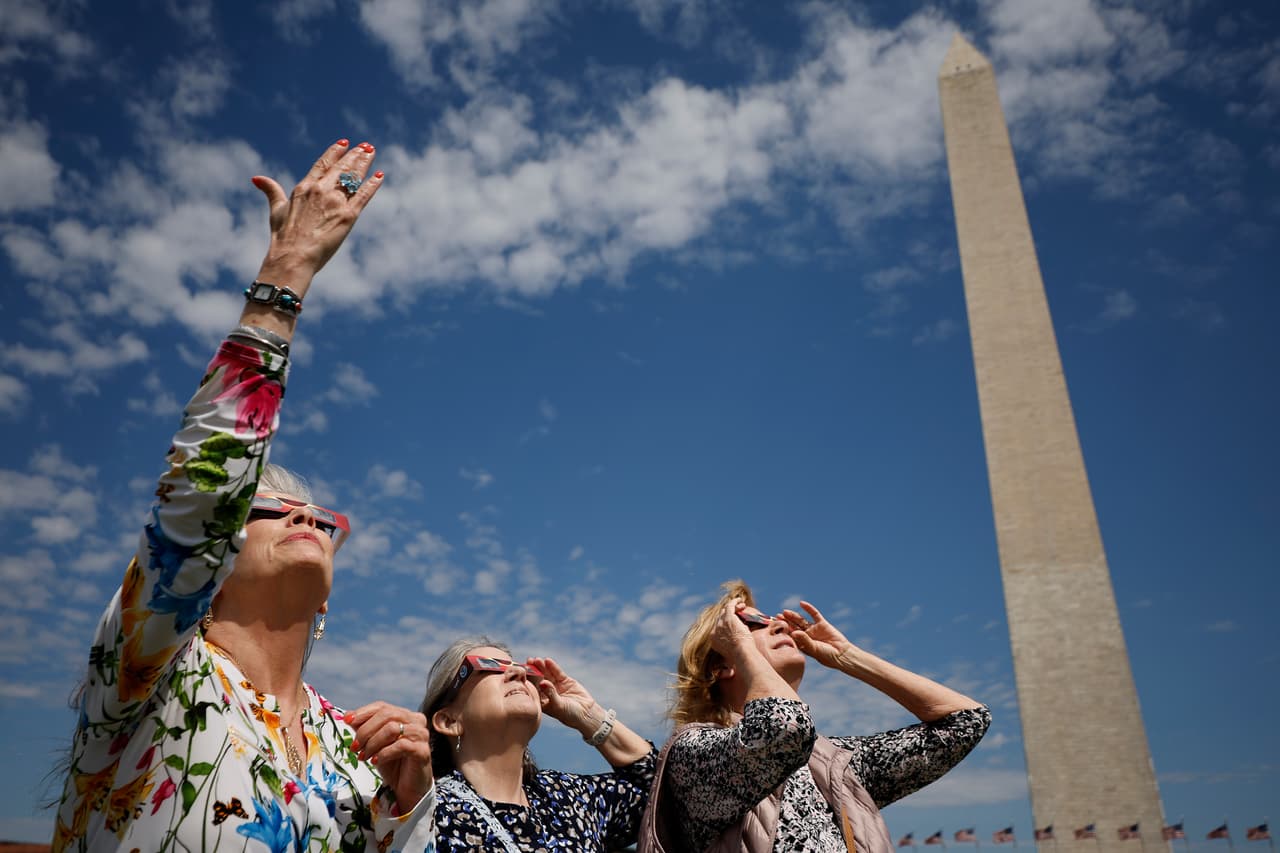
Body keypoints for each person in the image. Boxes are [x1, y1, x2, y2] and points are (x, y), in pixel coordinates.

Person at [51, 139, 439, 852]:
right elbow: (200, 497)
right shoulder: (155, 674)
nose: (304, 516)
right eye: (267, 508)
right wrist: (285, 274)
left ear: (328, 598)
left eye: (322, 519)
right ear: (211, 565)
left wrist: (406, 805)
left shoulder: (350, 744)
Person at [640, 580, 991, 853]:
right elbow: (781, 730)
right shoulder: (694, 750)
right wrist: (742, 647)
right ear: (721, 666)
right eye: (755, 622)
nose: (779, 624)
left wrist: (848, 656)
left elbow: (964, 722)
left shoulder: (832, 763)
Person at [418, 637, 657, 851]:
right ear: (449, 721)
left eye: (523, 670)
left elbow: (666, 792)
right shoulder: (423, 812)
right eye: (489, 667)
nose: (518, 674)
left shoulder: (569, 798)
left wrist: (591, 717)